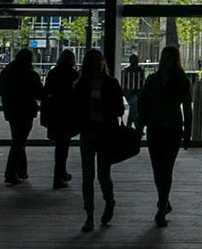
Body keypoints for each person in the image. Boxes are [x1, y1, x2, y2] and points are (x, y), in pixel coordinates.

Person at [138, 44, 193, 227]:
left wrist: (187, 133)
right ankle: (163, 200)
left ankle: (162, 204)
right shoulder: (158, 80)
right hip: (159, 128)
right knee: (158, 168)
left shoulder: (173, 81)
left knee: (165, 167)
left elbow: (187, 107)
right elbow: (143, 104)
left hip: (169, 128)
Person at [73, 48, 126, 232]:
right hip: (91, 132)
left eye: (100, 60)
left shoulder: (106, 84)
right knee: (88, 176)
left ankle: (108, 200)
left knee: (103, 174)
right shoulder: (86, 84)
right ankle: (89, 215)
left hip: (102, 134)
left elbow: (119, 108)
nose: (98, 64)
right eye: (95, 61)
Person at [0, 48, 42, 186]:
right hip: (26, 110)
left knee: (18, 139)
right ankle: (11, 173)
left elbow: (1, 90)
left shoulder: (7, 72)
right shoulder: (31, 75)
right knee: (19, 142)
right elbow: (39, 93)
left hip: (11, 110)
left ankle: (22, 171)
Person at [41, 49, 79, 190]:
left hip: (55, 113)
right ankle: (59, 176)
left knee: (60, 147)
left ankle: (61, 174)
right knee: (63, 147)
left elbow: (46, 93)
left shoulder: (53, 73)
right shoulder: (73, 74)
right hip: (68, 114)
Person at [120, 53, 145, 123]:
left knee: (133, 109)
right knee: (134, 108)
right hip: (131, 93)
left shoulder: (126, 71)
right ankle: (137, 126)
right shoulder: (128, 71)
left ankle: (129, 124)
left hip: (133, 93)